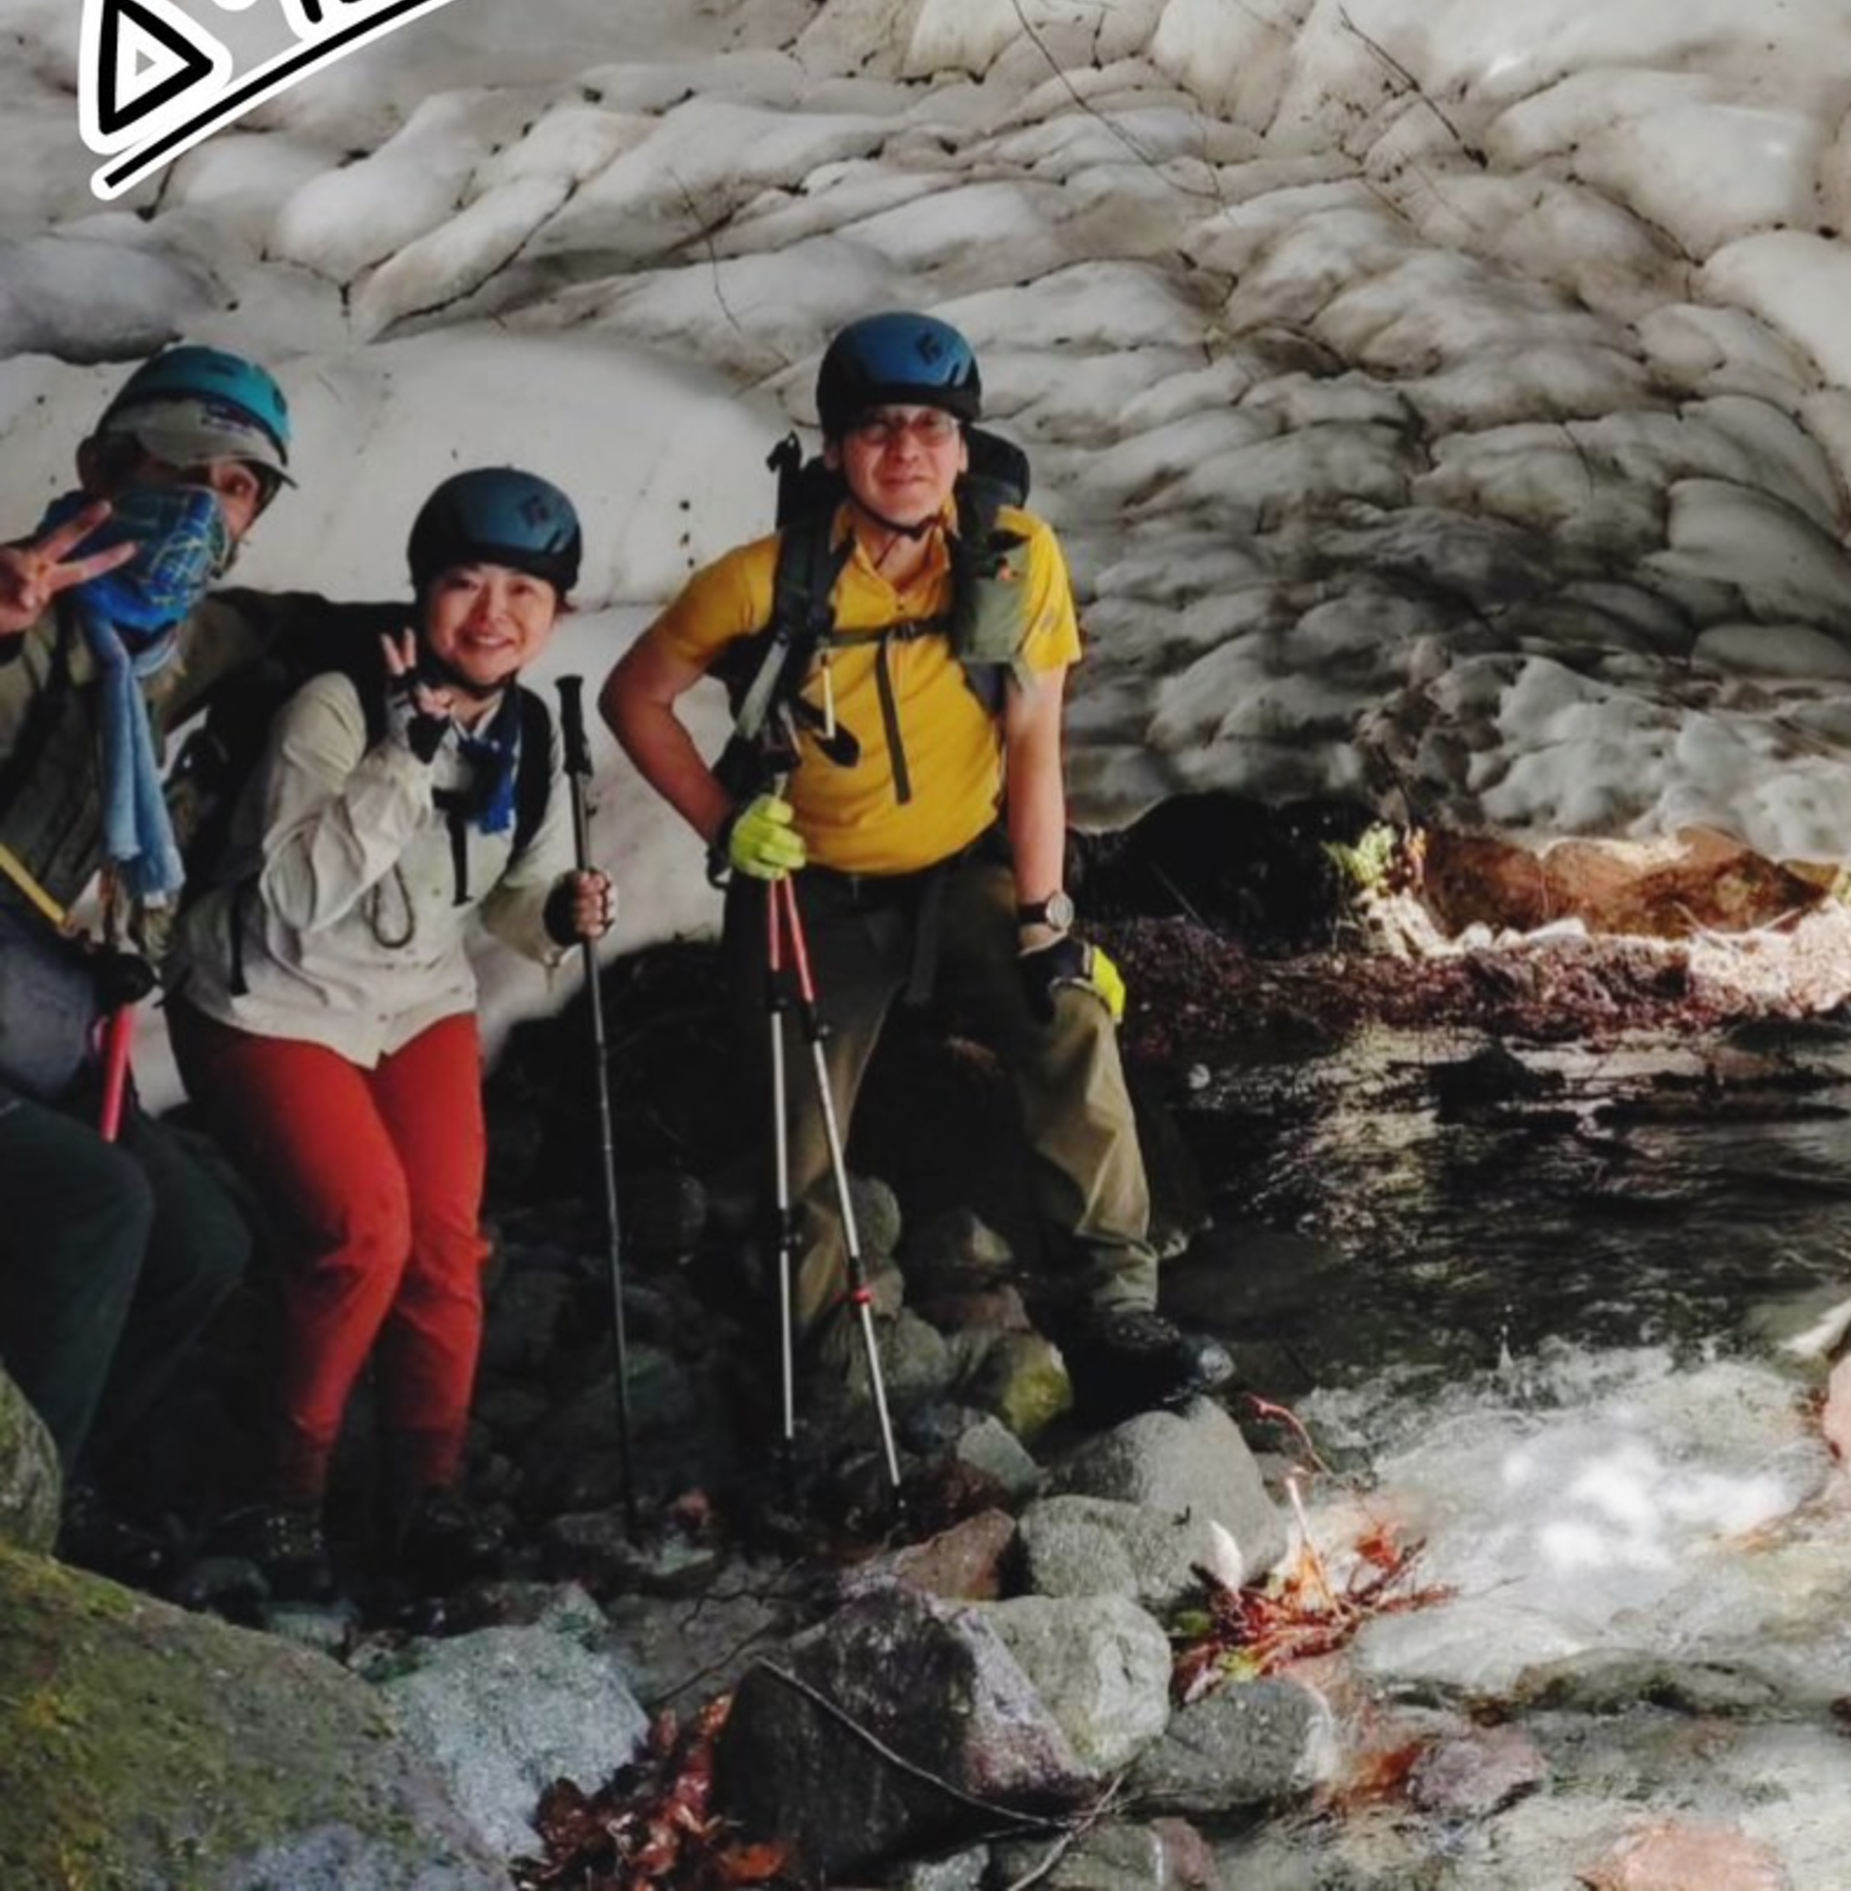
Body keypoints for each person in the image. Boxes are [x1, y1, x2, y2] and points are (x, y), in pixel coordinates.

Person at [600, 311, 1229, 1413]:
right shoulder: (764, 582)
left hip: (961, 866)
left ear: (963, 444)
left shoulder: (1015, 559)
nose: (906, 451)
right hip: (814, 889)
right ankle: (826, 1363)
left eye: (932, 427)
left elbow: (1033, 743)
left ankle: (1114, 1305)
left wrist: (1045, 919)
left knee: (1068, 1018)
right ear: (839, 447)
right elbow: (633, 697)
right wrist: (723, 824)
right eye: (878, 427)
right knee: (796, 1134)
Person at [166, 469, 613, 1591]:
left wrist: (557, 918)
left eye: (525, 591)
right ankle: (283, 1497)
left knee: (444, 1246)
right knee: (362, 1234)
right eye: (467, 583)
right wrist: (404, 755)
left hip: (415, 1000)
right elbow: (292, 897)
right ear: (422, 590)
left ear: (558, 611)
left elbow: (513, 896)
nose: (495, 614)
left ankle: (427, 1495)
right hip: (270, 995)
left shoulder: (527, 732)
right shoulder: (336, 704)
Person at [0, 346, 283, 1545]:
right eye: (179, 470)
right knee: (97, 1206)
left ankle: (49, 1470)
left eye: (237, 487)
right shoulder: (30, 615)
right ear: (103, 470)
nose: (205, 510)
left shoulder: (184, 644)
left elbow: (296, 633)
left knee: (200, 1243)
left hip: (39, 1031)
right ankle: (17, 1545)